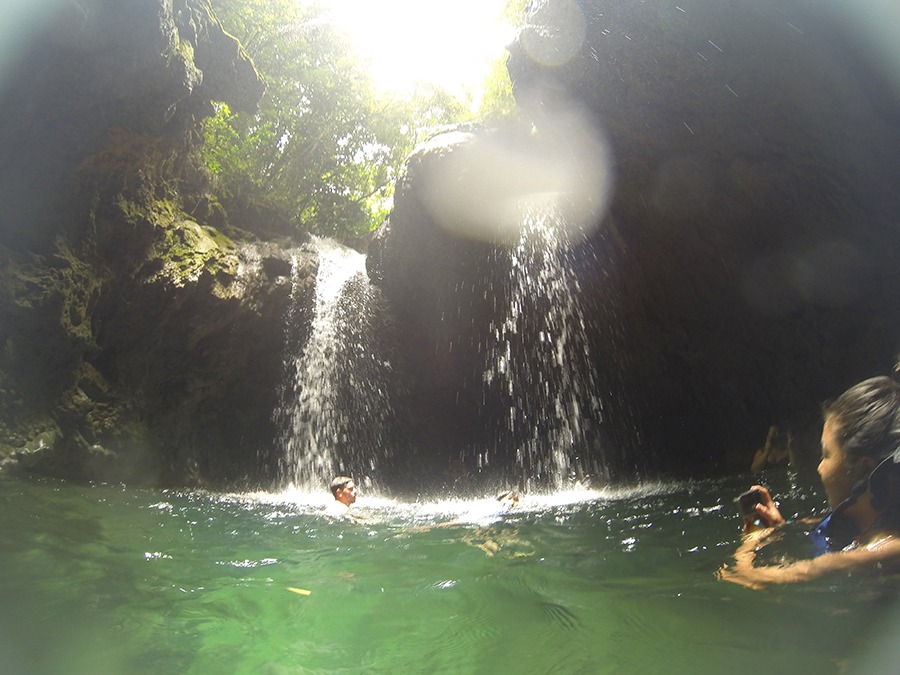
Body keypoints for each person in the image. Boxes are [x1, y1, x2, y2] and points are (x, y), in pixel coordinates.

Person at [719, 368, 900, 589]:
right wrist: (779, 530)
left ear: (862, 468)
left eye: (826, 454)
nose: (819, 467)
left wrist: (750, 542)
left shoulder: (882, 550)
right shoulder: (861, 521)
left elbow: (748, 578)